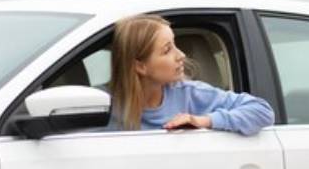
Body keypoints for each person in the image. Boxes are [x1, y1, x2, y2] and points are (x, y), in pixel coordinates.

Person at [108, 14, 274, 135]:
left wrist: (203, 121)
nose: (181, 55)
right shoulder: (102, 106)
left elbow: (262, 111)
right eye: (167, 50)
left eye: (175, 44)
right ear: (140, 66)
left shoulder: (190, 94)